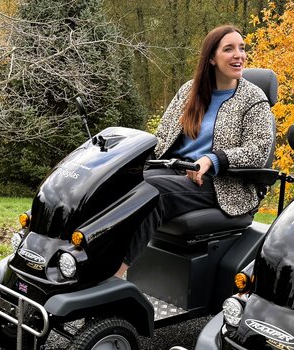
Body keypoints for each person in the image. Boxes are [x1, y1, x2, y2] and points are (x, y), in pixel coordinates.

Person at [115, 25, 274, 278]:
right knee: (125, 184)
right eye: (229, 49)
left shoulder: (253, 98)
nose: (239, 55)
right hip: (177, 171)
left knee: (154, 193)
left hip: (223, 185)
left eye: (242, 49)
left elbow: (258, 150)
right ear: (211, 57)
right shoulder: (190, 91)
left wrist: (213, 160)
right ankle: (87, 258)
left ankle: (115, 276)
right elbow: (162, 137)